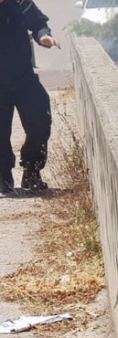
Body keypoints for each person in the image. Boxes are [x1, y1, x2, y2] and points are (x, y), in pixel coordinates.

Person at [0, 0, 59, 194]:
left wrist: (44, 37)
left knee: (41, 119)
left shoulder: (20, 2)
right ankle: (2, 176)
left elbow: (38, 24)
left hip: (23, 78)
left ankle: (32, 171)